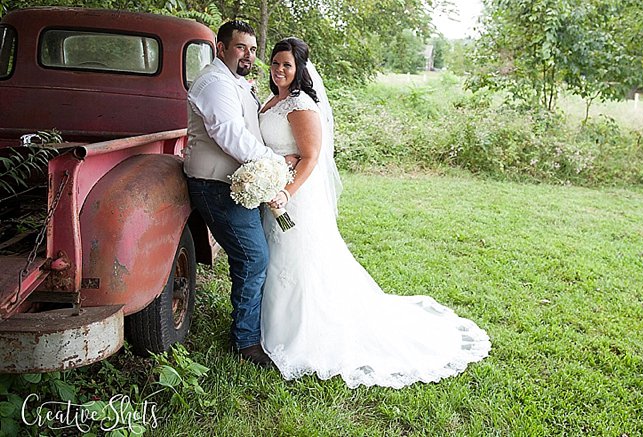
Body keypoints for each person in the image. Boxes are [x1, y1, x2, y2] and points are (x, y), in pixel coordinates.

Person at [258, 38, 491, 388]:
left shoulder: (301, 104)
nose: (279, 70)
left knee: (299, 261)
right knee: (275, 259)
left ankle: (300, 332)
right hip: (273, 190)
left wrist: (285, 192)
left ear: (299, 69)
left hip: (294, 198)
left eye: (287, 65)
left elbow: (311, 156)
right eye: (276, 63)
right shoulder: (270, 100)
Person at [184, 21, 292, 367]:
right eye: (241, 47)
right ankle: (246, 342)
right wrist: (273, 162)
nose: (249, 55)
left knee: (252, 256)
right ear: (221, 48)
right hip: (216, 185)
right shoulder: (214, 83)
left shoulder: (233, 81)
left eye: (253, 49)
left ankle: (250, 327)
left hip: (238, 182)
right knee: (253, 258)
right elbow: (229, 134)